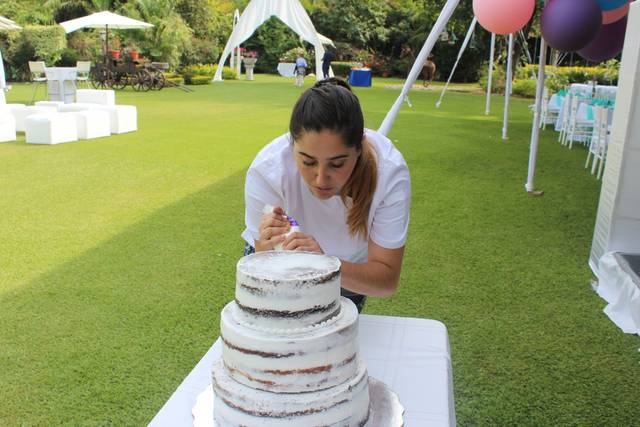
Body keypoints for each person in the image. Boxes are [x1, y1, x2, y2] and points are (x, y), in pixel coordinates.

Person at [242, 78, 411, 312]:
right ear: (291, 146)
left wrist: (324, 264)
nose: (321, 179)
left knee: (333, 339)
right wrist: (267, 249)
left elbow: (386, 282)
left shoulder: (389, 173)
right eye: (308, 161)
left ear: (359, 150)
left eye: (338, 164)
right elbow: (263, 262)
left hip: (349, 273)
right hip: (283, 263)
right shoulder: (268, 170)